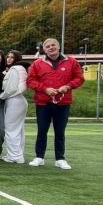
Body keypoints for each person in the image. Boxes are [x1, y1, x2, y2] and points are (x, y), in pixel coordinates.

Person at [27, 38, 84, 169]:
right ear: (44, 50)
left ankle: (60, 159)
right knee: (42, 130)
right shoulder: (37, 63)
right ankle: (39, 157)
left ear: (59, 47)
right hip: (43, 103)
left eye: (53, 45)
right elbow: (30, 80)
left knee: (60, 132)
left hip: (63, 102)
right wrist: (45, 89)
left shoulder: (72, 62)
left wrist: (68, 86)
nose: (51, 48)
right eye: (47, 46)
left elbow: (79, 78)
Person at [0, 50, 28, 164]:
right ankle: (18, 155)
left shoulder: (14, 69)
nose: (9, 59)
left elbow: (10, 89)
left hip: (14, 100)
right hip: (20, 100)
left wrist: (2, 96)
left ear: (17, 59)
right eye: (8, 57)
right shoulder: (22, 69)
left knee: (10, 129)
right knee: (19, 129)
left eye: (12, 57)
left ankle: (14, 156)